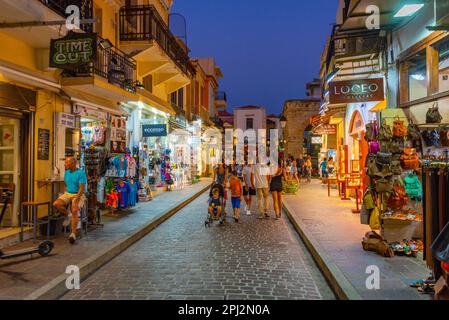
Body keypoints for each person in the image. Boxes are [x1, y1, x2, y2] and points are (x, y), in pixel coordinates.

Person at [53, 156, 87, 244]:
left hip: (78, 193)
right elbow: (66, 184)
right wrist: (64, 195)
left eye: (67, 163)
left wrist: (76, 199)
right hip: (68, 193)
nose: (65, 164)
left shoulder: (81, 173)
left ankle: (73, 234)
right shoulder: (67, 172)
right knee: (56, 204)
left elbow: (81, 189)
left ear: (73, 164)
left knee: (74, 209)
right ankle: (68, 215)